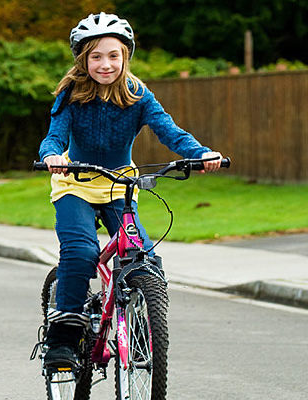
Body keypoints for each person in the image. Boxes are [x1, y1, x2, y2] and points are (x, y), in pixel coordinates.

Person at [37, 12, 223, 367]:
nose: (105, 64)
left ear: (126, 57)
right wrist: (51, 155)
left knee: (143, 257)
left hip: (119, 184)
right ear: (83, 59)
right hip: (74, 182)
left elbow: (169, 131)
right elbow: (54, 136)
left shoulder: (138, 95)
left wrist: (199, 154)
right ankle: (63, 338)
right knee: (80, 252)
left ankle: (141, 330)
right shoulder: (71, 94)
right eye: (96, 56)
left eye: (113, 56)